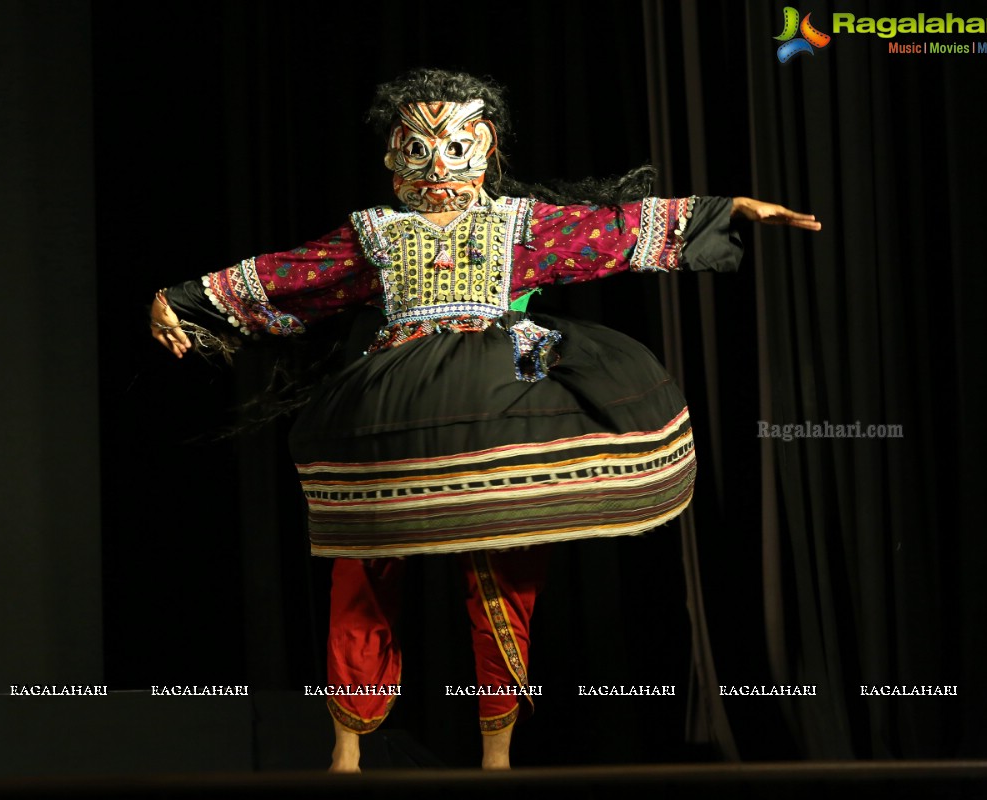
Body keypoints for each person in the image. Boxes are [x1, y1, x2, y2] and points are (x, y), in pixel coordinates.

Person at [148, 68, 819, 771]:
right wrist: (184, 299)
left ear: (487, 145)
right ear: (392, 154)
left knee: (503, 566)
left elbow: (613, 230)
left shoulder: (519, 226)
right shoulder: (376, 235)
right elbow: (292, 272)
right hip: (399, 400)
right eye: (419, 148)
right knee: (363, 564)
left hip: (503, 394)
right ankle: (345, 750)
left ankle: (496, 754)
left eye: (456, 146)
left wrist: (725, 210)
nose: (439, 164)